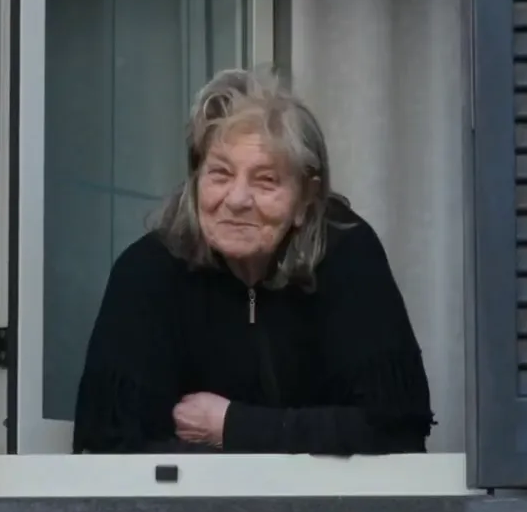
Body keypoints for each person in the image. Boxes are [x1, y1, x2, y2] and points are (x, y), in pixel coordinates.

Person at [72, 68, 433, 455]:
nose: (238, 199)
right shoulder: (148, 271)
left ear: (306, 200)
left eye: (265, 181)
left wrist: (233, 426)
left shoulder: (347, 255)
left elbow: (397, 430)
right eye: (220, 175)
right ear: (196, 180)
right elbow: (106, 447)